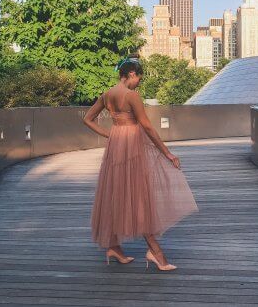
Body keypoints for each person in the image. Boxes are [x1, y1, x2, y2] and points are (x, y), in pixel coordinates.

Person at [83, 56, 198, 271]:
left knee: (117, 193)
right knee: (138, 197)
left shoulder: (108, 94)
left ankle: (114, 247)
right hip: (132, 146)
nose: (139, 83)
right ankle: (156, 253)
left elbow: (87, 119)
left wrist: (110, 135)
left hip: (116, 145)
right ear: (132, 74)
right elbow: (146, 126)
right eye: (139, 79)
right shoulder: (131, 95)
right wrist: (167, 153)